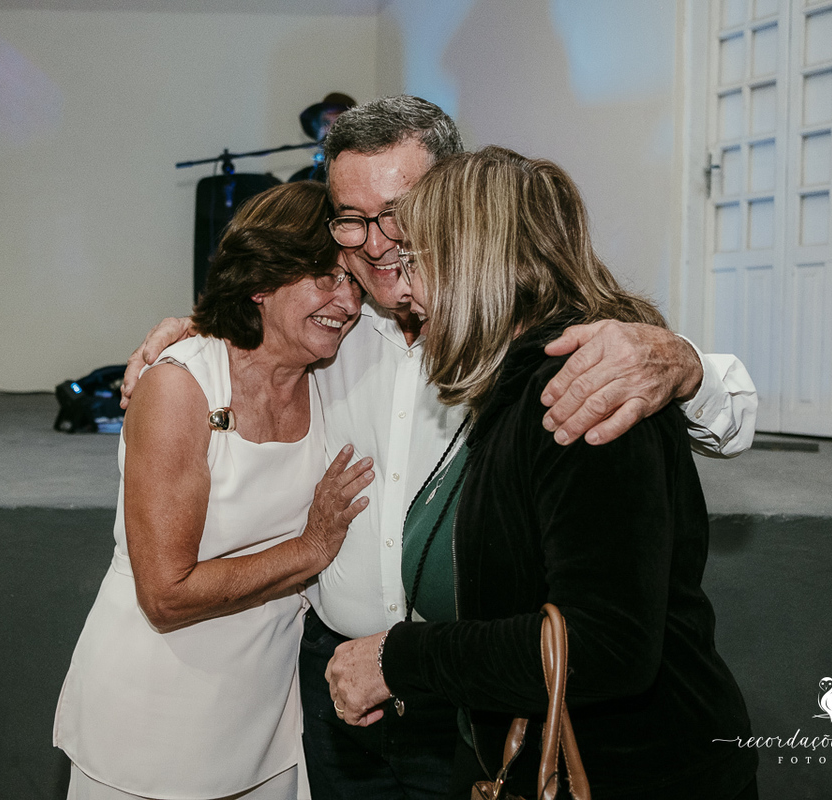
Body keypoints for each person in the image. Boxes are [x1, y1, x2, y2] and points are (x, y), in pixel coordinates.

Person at [121, 96, 757, 800]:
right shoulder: (329, 324)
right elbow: (243, 340)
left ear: (462, 207)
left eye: (400, 214)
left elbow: (609, 630)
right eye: (352, 219)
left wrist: (684, 363)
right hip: (356, 685)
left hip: (498, 693)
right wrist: (190, 336)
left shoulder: (583, 367)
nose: (378, 243)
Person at [326, 146, 758, 799]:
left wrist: (400, 659)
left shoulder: (578, 388)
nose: (406, 290)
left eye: (417, 261)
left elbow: (604, 646)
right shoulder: (522, 384)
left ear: (475, 262)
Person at [54, 181, 374, 800]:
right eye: (327, 278)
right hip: (154, 711)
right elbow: (166, 595)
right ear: (262, 280)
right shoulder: (181, 386)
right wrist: (311, 549)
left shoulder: (334, 373)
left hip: (269, 715)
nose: (349, 303)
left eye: (356, 282)